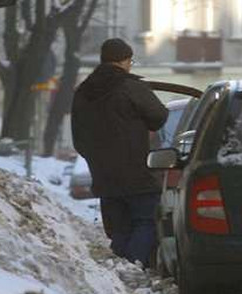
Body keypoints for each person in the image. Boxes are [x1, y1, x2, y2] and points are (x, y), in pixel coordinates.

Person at [71, 38, 169, 266]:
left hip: (104, 175)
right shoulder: (130, 87)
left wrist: (97, 158)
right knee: (146, 222)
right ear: (125, 60)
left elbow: (79, 138)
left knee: (119, 229)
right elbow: (159, 117)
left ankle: (119, 272)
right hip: (137, 173)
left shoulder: (84, 91)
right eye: (130, 61)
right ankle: (131, 267)